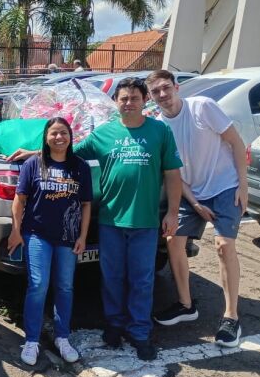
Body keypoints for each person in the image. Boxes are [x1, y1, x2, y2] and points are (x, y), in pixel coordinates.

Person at [73, 78, 183, 360]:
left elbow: (173, 174)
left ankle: (140, 332)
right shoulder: (104, 134)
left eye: (134, 97)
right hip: (111, 220)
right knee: (112, 278)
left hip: (145, 222)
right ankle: (114, 325)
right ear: (116, 102)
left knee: (142, 280)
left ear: (144, 100)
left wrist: (172, 212)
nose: (129, 103)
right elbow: (66, 154)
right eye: (123, 98)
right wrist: (37, 154)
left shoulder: (159, 132)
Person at [147, 70, 248, 347]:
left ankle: (231, 317)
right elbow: (174, 173)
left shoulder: (202, 107)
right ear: (152, 97)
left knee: (223, 245)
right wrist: (194, 203)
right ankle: (185, 305)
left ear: (177, 87)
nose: (163, 95)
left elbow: (236, 143)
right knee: (172, 239)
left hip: (226, 186)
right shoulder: (159, 126)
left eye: (166, 88)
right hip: (192, 192)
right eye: (156, 92)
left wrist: (243, 185)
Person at [7, 118, 92, 365]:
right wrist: (16, 231)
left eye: (63, 133)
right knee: (38, 285)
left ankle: (62, 337)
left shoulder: (79, 167)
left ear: (70, 136)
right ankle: (31, 340)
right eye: (54, 133)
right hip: (37, 234)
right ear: (46, 137)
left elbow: (86, 204)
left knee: (65, 286)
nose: (59, 137)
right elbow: (19, 200)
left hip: (68, 237)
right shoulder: (34, 164)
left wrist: (83, 236)